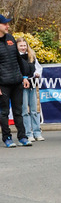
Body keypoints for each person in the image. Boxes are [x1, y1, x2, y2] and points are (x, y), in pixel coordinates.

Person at [0, 15, 31, 147]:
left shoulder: (10, 38)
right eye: (5, 24)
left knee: (19, 111)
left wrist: (24, 76)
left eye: (8, 24)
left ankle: (22, 137)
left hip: (17, 81)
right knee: (4, 112)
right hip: (3, 84)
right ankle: (7, 138)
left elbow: (19, 60)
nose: (8, 26)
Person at [17, 38, 43, 141]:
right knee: (24, 111)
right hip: (22, 85)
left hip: (33, 84)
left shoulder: (31, 56)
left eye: (24, 45)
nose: (23, 48)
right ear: (17, 47)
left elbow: (38, 68)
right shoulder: (16, 57)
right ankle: (28, 133)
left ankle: (37, 132)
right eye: (21, 46)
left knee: (34, 110)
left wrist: (37, 73)